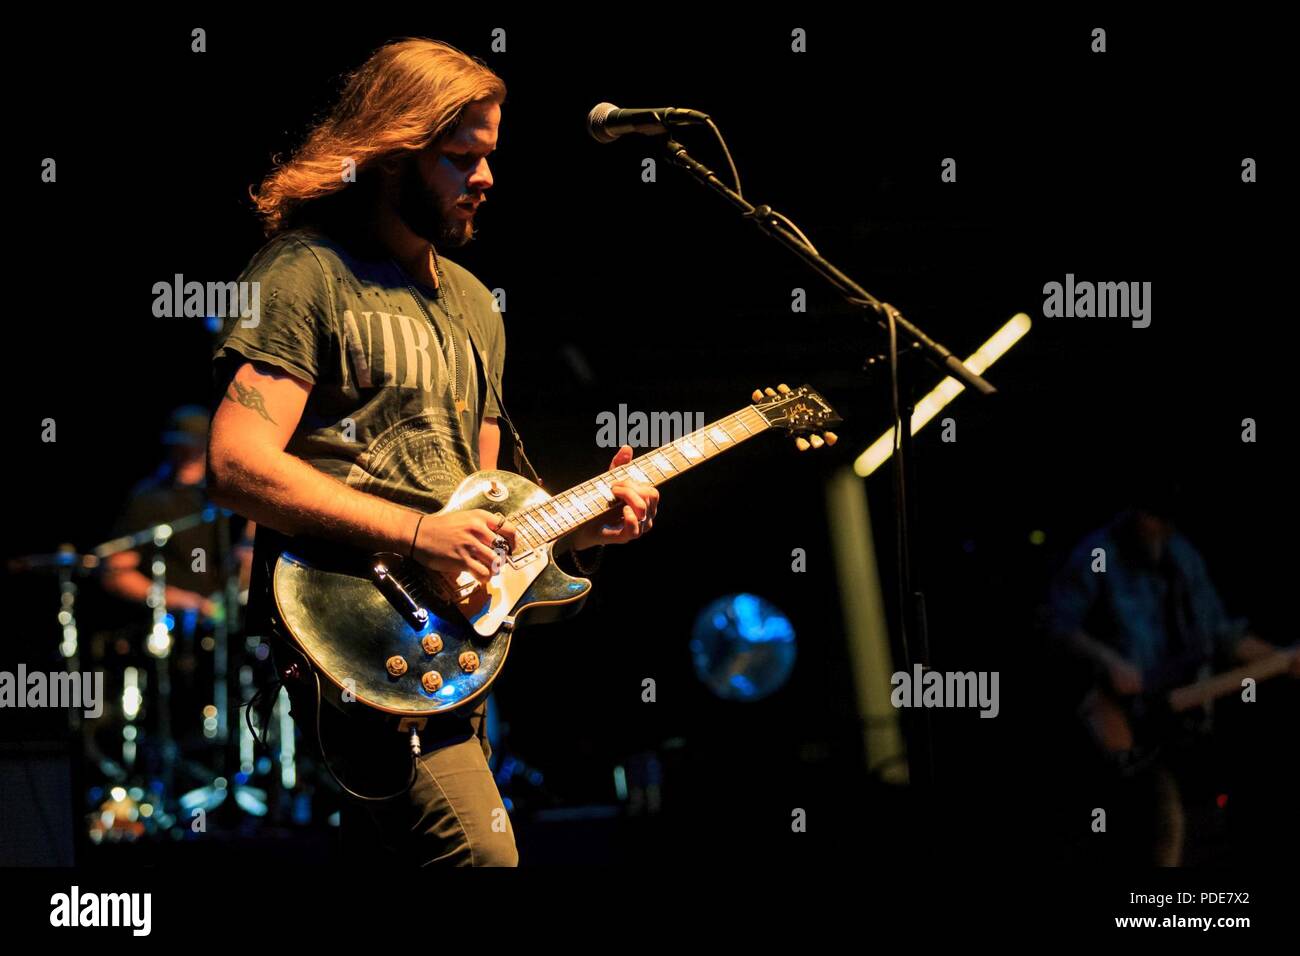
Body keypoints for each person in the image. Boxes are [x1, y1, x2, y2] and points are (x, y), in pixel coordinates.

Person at [207, 38, 660, 866]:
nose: (485, 179)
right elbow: (237, 463)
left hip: (446, 650)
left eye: (487, 157)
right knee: (484, 859)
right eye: (461, 159)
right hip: (349, 631)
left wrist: (580, 529)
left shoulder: (476, 307)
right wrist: (416, 536)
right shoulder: (307, 273)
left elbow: (479, 506)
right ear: (393, 156)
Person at [1046, 487, 1298, 865]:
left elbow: (1222, 635)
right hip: (1130, 726)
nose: (1154, 525)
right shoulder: (1096, 554)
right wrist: (1108, 661)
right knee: (1157, 824)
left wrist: (1282, 659)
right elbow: (1058, 625)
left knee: (1206, 831)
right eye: (1147, 514)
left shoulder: (1182, 554)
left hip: (1187, 724)